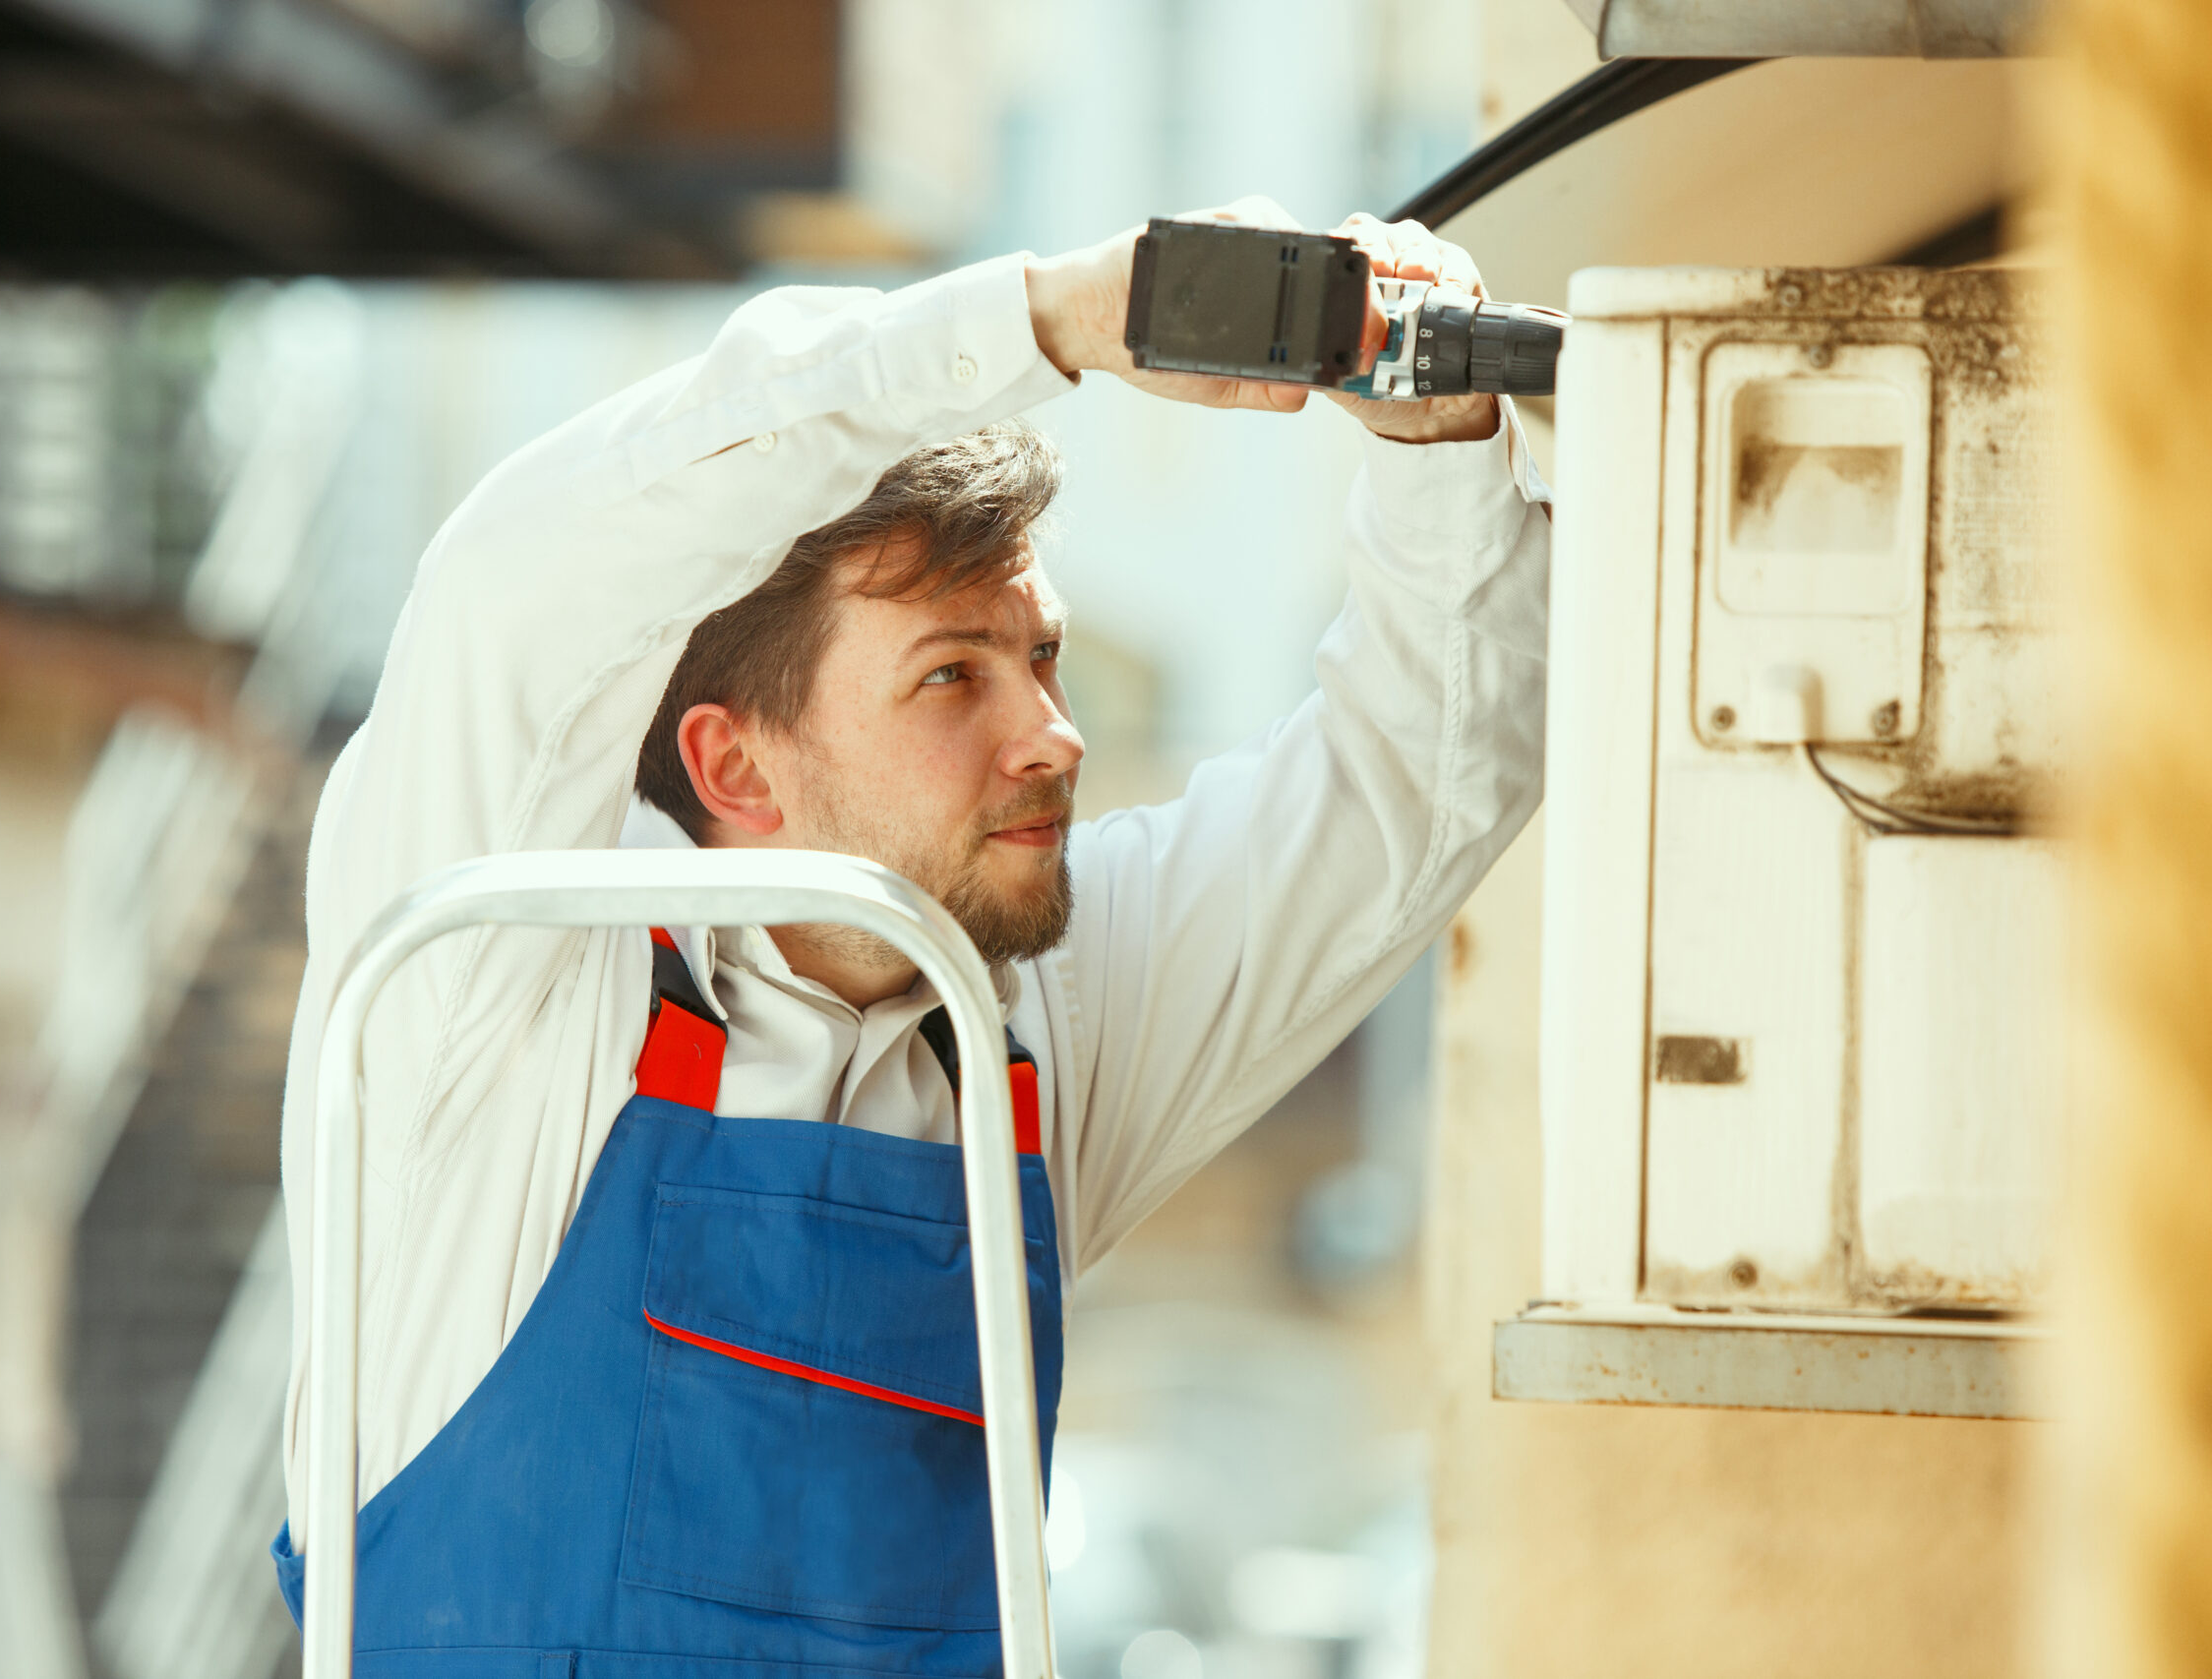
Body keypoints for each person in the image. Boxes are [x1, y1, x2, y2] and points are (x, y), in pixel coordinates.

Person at [271, 199, 1549, 1674]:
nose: (1056, 737)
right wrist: (1045, 323)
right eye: (953, 678)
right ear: (735, 766)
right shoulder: (494, 994)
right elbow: (523, 575)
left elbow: (1416, 786)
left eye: (1043, 658)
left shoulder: (1029, 1032)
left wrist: (1441, 445)